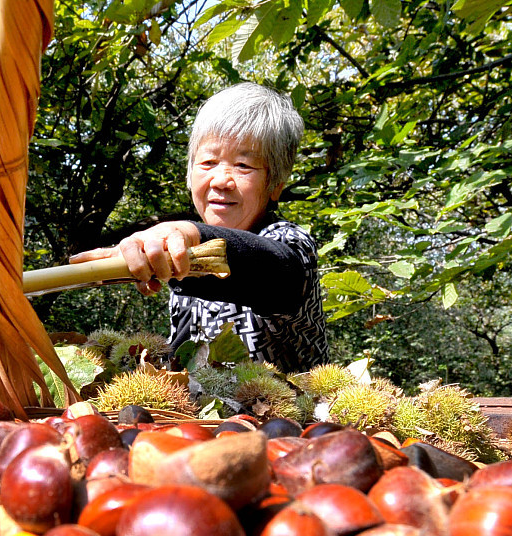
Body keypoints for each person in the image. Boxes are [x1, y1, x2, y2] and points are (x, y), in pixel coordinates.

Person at [71, 82, 327, 373]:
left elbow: (276, 269)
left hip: (287, 416)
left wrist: (191, 233)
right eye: (208, 162)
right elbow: (183, 356)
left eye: (243, 165)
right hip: (202, 419)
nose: (221, 180)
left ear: (275, 186)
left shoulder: (291, 243)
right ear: (190, 175)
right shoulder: (182, 262)